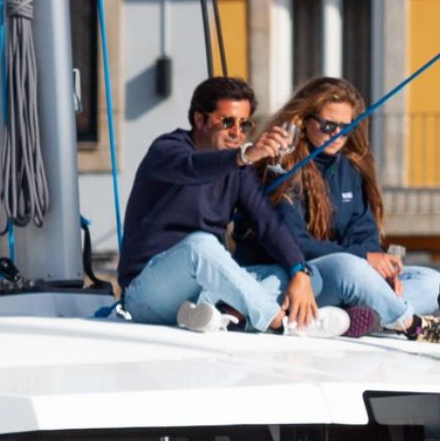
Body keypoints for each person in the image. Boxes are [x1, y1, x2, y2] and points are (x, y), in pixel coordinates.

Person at [117, 77, 339, 335]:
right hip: (146, 292)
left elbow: (267, 223)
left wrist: (300, 271)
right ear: (199, 120)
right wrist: (244, 155)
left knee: (306, 278)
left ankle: (217, 316)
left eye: (244, 124)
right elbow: (192, 169)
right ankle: (281, 323)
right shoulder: (167, 150)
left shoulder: (238, 170)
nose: (237, 133)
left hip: (200, 293)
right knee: (200, 245)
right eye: (227, 122)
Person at [252, 76, 431, 330]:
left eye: (346, 128)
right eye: (328, 126)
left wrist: (382, 273)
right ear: (304, 121)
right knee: (349, 268)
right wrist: (366, 260)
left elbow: (365, 233)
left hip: (351, 274)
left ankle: (362, 316)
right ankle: (409, 324)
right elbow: (294, 244)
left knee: (432, 280)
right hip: (302, 275)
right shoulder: (282, 167)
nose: (337, 135)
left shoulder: (350, 169)